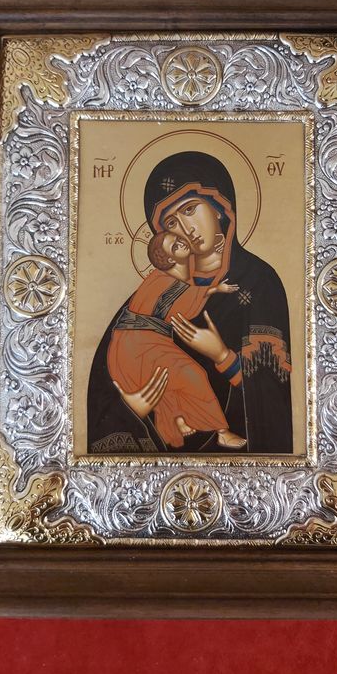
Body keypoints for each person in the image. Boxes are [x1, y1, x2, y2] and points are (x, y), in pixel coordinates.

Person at [87, 151, 293, 454]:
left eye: (190, 209)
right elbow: (104, 388)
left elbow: (274, 394)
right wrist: (131, 408)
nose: (185, 228)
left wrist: (222, 355)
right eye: (172, 221)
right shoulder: (152, 298)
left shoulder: (258, 283)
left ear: (219, 207)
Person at [106, 230, 246, 448]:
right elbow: (186, 304)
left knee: (169, 384)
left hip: (143, 341)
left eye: (179, 239)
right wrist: (215, 289)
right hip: (136, 345)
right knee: (194, 375)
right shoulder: (162, 280)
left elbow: (188, 294)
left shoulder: (177, 276)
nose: (182, 242)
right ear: (169, 259)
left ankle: (178, 418)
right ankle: (221, 431)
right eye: (175, 245)